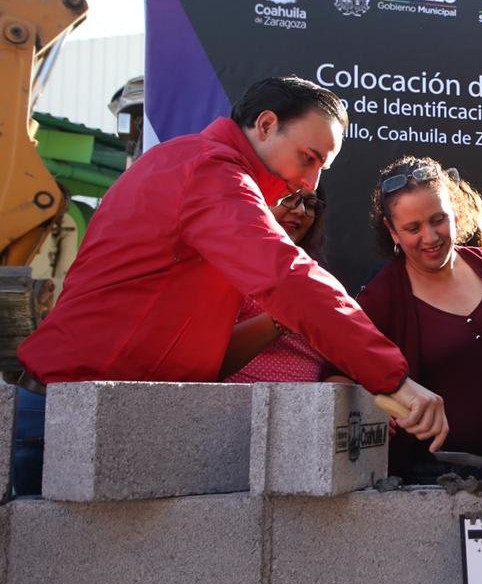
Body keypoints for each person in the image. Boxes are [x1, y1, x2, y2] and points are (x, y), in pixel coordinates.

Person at [18, 75, 447, 448]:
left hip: (103, 410)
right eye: (309, 158)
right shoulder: (210, 170)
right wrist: (392, 379)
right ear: (265, 125)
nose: (310, 181)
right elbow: (286, 276)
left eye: (322, 168)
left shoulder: (190, 162)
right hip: (68, 416)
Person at [329, 157, 482, 482]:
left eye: (439, 220)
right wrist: (389, 405)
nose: (430, 236)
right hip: (432, 477)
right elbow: (336, 379)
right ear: (392, 232)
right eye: (413, 228)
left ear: (455, 213)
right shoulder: (382, 295)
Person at [221, 186, 329, 382]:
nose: (301, 211)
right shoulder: (225, 267)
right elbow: (209, 356)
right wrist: (281, 317)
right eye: (288, 198)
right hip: (241, 406)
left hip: (314, 406)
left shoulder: (314, 273)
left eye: (310, 204)